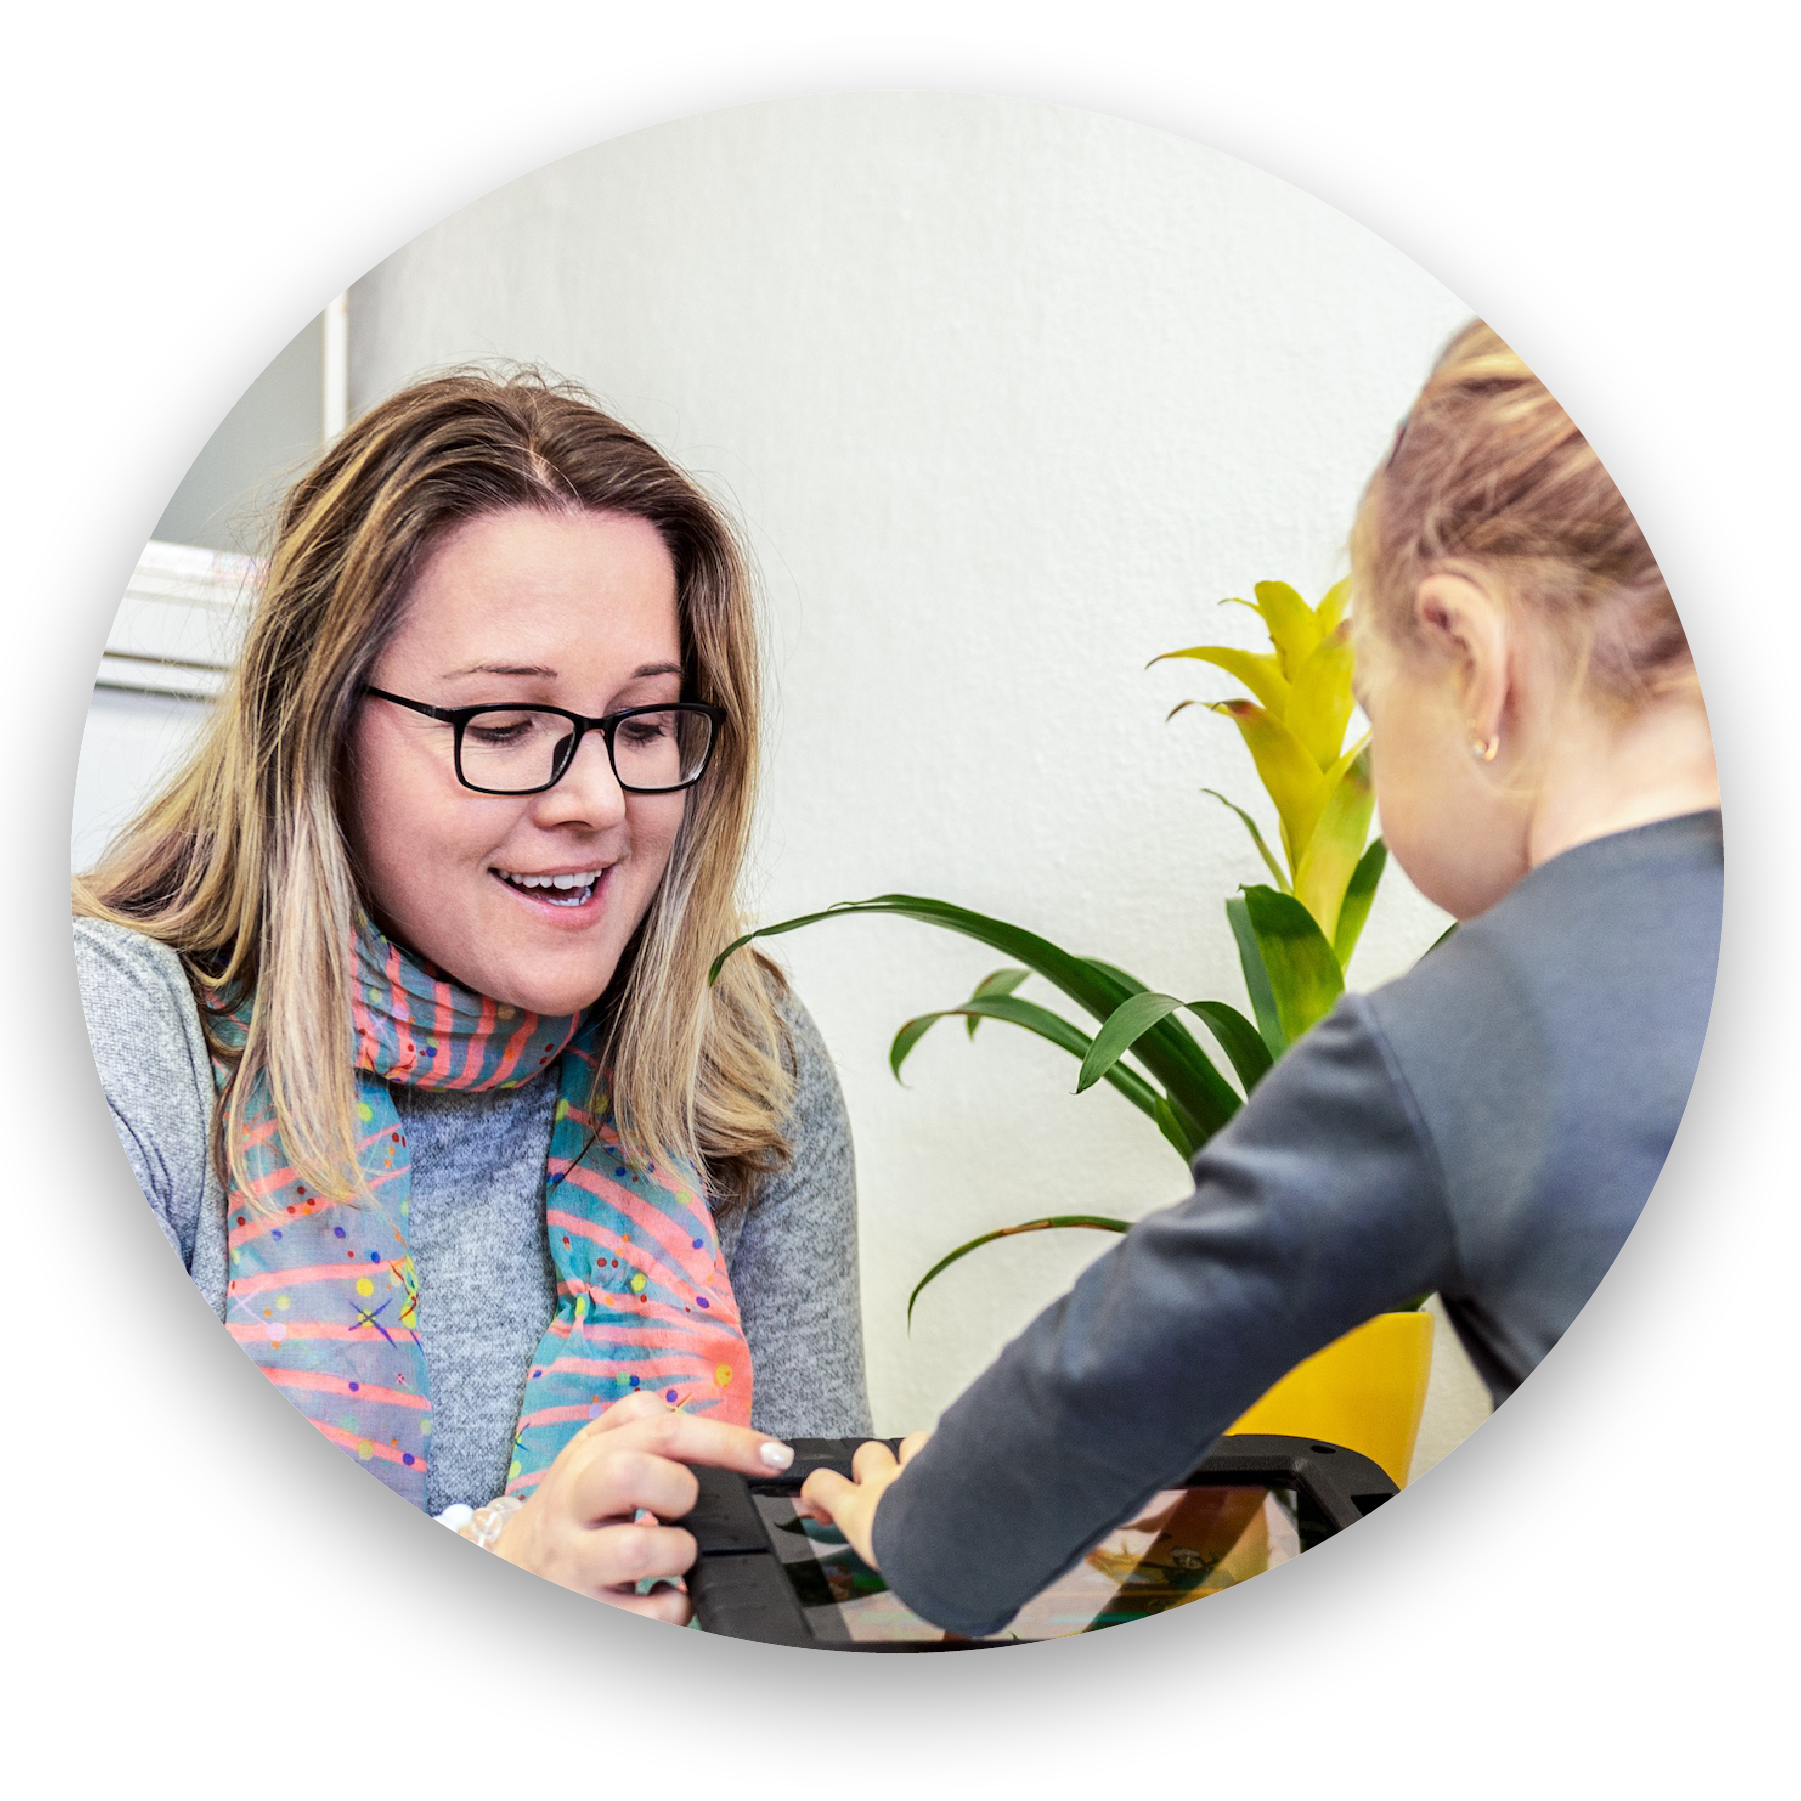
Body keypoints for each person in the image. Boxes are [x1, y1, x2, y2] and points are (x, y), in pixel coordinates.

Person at [797, 320, 1723, 1638]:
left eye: (1371, 695)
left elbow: (1107, 1375)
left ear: (1471, 658)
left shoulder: (1478, 1034)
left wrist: (919, 1526)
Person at [74, 370, 868, 1621]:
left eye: (644, 725)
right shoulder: (115, 1043)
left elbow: (810, 1605)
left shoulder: (739, 1053)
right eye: (503, 725)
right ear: (319, 723)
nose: (596, 802)